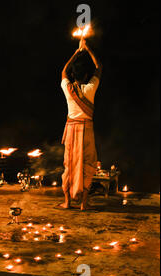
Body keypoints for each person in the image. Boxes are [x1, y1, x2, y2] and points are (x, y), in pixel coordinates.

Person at [59, 38, 102, 211]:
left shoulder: (68, 88)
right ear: (86, 76)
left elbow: (63, 72)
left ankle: (68, 202)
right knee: (88, 164)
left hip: (71, 129)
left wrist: (75, 53)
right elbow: (99, 67)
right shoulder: (90, 88)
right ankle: (84, 203)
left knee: (69, 163)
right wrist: (87, 48)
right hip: (87, 129)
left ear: (73, 75)